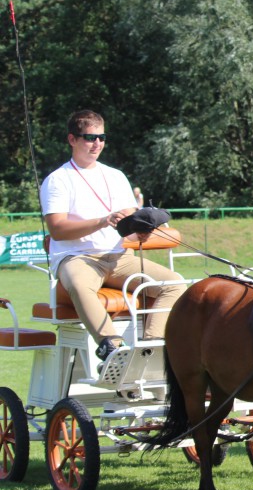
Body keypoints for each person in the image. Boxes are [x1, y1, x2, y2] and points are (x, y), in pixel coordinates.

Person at [39, 110, 186, 364]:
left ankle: (151, 348)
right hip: (77, 258)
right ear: (72, 139)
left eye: (101, 137)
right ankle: (112, 346)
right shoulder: (58, 180)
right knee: (80, 286)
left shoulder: (115, 176)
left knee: (174, 283)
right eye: (89, 138)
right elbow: (58, 229)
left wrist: (139, 228)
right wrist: (101, 221)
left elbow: (129, 217)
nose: (96, 144)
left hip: (119, 257)